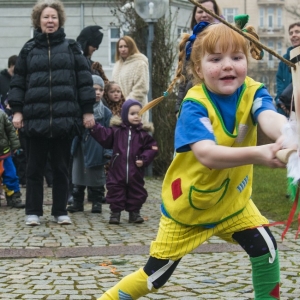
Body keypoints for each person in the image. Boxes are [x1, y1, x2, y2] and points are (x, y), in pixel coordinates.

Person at [96, 19, 288, 300]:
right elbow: (207, 155)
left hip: (232, 204)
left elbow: (269, 117)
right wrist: (260, 153)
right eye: (216, 58)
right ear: (198, 68)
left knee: (266, 250)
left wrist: (288, 135)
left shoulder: (253, 90)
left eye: (236, 57)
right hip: (189, 208)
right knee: (155, 278)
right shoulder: (194, 104)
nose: (228, 65)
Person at [8, 0, 96, 226]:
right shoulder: (28, 49)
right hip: (35, 119)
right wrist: (17, 112)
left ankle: (60, 211)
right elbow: (17, 83)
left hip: (64, 118)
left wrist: (87, 112)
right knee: (34, 169)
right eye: (46, 17)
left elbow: (84, 82)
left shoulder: (71, 48)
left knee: (60, 168)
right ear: (38, 20)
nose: (50, 21)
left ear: (60, 21)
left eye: (54, 17)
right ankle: (33, 212)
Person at [90, 99, 158, 225]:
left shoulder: (143, 134)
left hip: (135, 171)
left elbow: (152, 148)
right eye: (132, 114)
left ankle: (134, 213)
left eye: (139, 114)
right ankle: (115, 213)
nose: (136, 116)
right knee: (115, 191)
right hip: (117, 170)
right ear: (125, 115)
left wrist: (143, 159)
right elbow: (104, 135)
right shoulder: (117, 131)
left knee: (137, 192)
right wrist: (94, 127)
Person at [67, 75, 112, 214]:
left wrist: (107, 151)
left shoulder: (106, 112)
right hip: (80, 147)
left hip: (97, 148)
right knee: (78, 175)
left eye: (101, 90)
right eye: (94, 89)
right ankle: (77, 202)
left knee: (96, 177)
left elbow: (109, 134)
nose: (97, 92)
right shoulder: (79, 109)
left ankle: (97, 202)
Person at [175, 0, 222, 115]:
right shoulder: (189, 44)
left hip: (217, 102)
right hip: (192, 103)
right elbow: (183, 78)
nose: (204, 15)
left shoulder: (223, 40)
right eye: (200, 11)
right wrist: (178, 107)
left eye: (209, 11)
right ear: (194, 15)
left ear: (216, 14)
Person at [112, 36, 149, 123]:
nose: (123, 49)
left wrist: (125, 104)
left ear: (131, 47)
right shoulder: (117, 65)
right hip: (118, 112)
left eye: (126, 46)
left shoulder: (140, 64)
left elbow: (141, 89)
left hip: (135, 110)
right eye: (120, 47)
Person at [0, 109, 24, 208]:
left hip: (4, 153)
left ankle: (14, 197)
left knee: (11, 175)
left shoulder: (1, 114)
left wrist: (15, 145)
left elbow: (10, 130)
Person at [275, 22, 300, 116]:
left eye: (297, 32)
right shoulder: (284, 59)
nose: (294, 35)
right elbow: (279, 81)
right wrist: (281, 102)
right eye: (291, 33)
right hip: (286, 110)